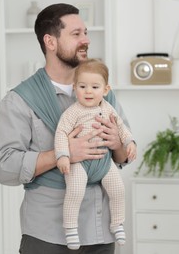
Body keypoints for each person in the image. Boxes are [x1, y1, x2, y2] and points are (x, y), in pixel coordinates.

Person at [0, 3, 131, 254]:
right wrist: (62, 154)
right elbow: (4, 167)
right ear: (50, 41)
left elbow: (122, 156)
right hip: (48, 234)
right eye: (76, 34)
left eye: (86, 33)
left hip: (101, 230)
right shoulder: (19, 100)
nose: (86, 40)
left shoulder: (101, 93)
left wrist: (118, 144)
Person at [55, 59, 136, 250]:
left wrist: (129, 142)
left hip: (104, 162)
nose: (88, 91)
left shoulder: (107, 108)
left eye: (94, 87)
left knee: (118, 190)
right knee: (74, 192)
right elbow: (61, 133)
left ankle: (117, 223)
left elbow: (121, 127)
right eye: (83, 86)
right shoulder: (72, 112)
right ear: (75, 88)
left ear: (105, 90)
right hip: (80, 164)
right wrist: (63, 156)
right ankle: (71, 229)